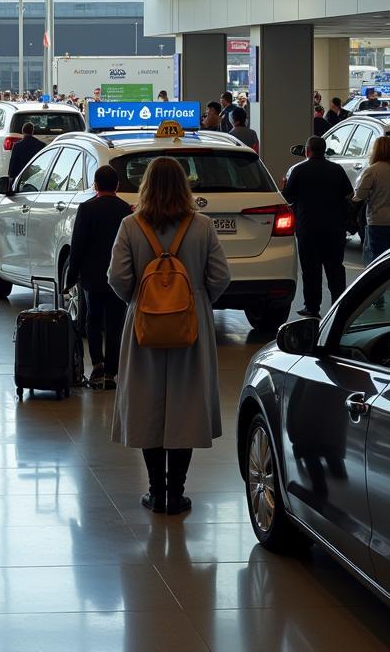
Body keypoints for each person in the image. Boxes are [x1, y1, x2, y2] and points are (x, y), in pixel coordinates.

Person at [108, 157, 230, 515]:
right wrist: (198, 300)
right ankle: (176, 494)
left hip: (144, 327)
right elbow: (221, 276)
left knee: (147, 405)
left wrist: (139, 300)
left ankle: (154, 492)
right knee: (186, 406)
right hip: (191, 327)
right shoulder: (202, 226)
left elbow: (117, 277)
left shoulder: (131, 225)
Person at [64, 165, 132, 390]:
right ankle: (112, 373)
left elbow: (78, 246)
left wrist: (71, 278)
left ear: (96, 185)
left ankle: (98, 364)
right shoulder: (127, 210)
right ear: (118, 186)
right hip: (119, 277)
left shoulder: (86, 209)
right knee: (114, 324)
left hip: (92, 278)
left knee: (92, 321)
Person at [282, 136, 353, 318]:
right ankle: (339, 305)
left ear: (308, 150)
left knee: (311, 270)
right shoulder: (336, 170)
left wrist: (285, 186)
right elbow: (349, 193)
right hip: (334, 229)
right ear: (324, 150)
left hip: (308, 229)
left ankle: (312, 307)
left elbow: (287, 198)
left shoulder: (299, 170)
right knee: (335, 269)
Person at [353, 135, 390, 264]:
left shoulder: (372, 171)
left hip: (379, 221)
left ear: (375, 150)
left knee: (379, 260)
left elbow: (360, 196)